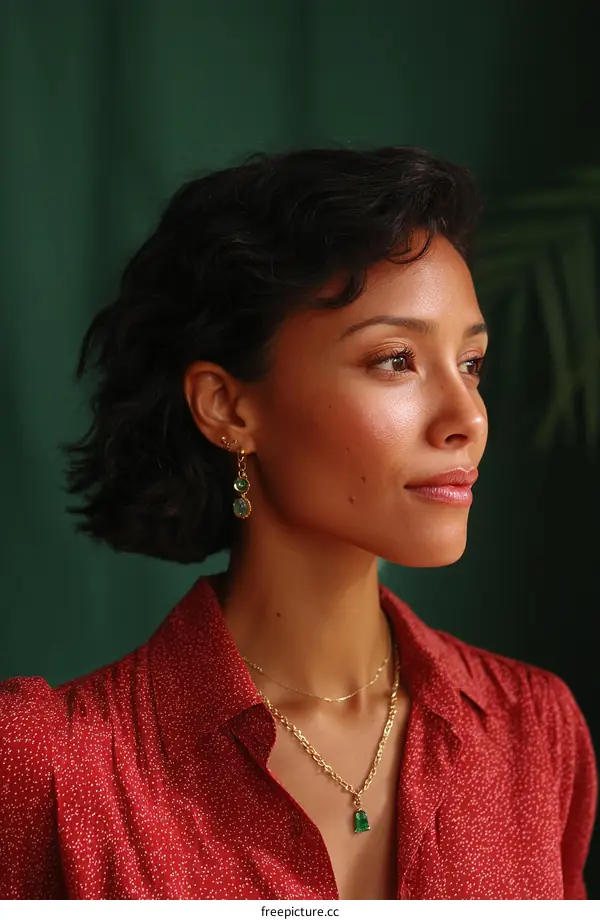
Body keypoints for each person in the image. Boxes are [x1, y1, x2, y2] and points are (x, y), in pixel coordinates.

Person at [0, 146, 596, 901]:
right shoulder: (49, 767)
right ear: (228, 407)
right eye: (395, 360)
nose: (467, 418)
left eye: (471, 363)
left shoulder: (533, 730)